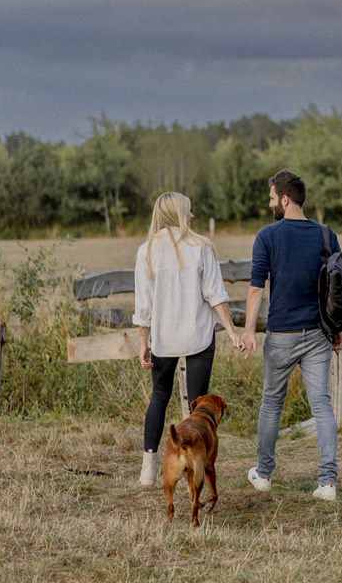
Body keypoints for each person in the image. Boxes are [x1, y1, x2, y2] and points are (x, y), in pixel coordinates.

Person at [241, 169, 342, 501]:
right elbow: (337, 288)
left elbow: (257, 290)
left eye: (272, 197)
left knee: (271, 403)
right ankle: (328, 482)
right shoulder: (327, 235)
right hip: (318, 332)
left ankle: (265, 474)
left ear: (285, 199)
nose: (270, 203)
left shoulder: (267, 236)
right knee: (322, 405)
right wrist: (337, 329)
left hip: (282, 333)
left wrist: (248, 331)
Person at [133, 191, 244, 487]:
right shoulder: (201, 247)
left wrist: (143, 342)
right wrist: (231, 331)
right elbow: (216, 295)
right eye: (189, 211)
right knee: (198, 408)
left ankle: (149, 468)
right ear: (178, 214)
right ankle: (194, 465)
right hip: (198, 336)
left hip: (163, 338)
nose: (192, 216)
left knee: (159, 396)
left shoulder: (146, 251)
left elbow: (143, 307)